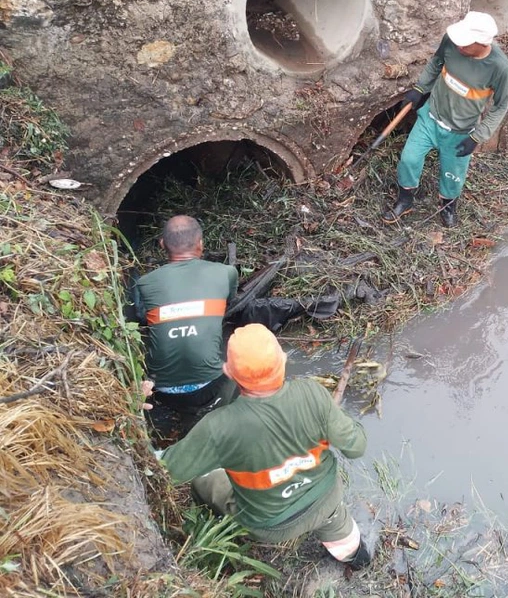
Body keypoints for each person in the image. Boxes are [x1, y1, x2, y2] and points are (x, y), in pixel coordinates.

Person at [159, 324, 372, 569]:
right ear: (283, 359)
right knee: (335, 519)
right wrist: (332, 416)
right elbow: (356, 447)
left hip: (270, 526)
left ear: (228, 372)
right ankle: (356, 557)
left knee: (201, 481)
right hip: (326, 500)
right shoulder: (313, 394)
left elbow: (169, 472)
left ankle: (219, 526)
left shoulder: (217, 426)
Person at [383, 11, 508, 228]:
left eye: (466, 44)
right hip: (430, 117)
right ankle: (405, 200)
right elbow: (436, 63)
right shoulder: (452, 42)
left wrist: (477, 137)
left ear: (482, 43)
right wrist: (419, 88)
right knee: (409, 159)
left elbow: (501, 106)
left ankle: (448, 206)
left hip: (461, 131)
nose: (459, 46)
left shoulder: (499, 68)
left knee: (453, 176)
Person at [134, 215, 238, 435]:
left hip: (160, 390)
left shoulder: (144, 283)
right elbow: (230, 300)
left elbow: (140, 316)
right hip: (210, 386)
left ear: (162, 245)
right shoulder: (226, 272)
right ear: (201, 244)